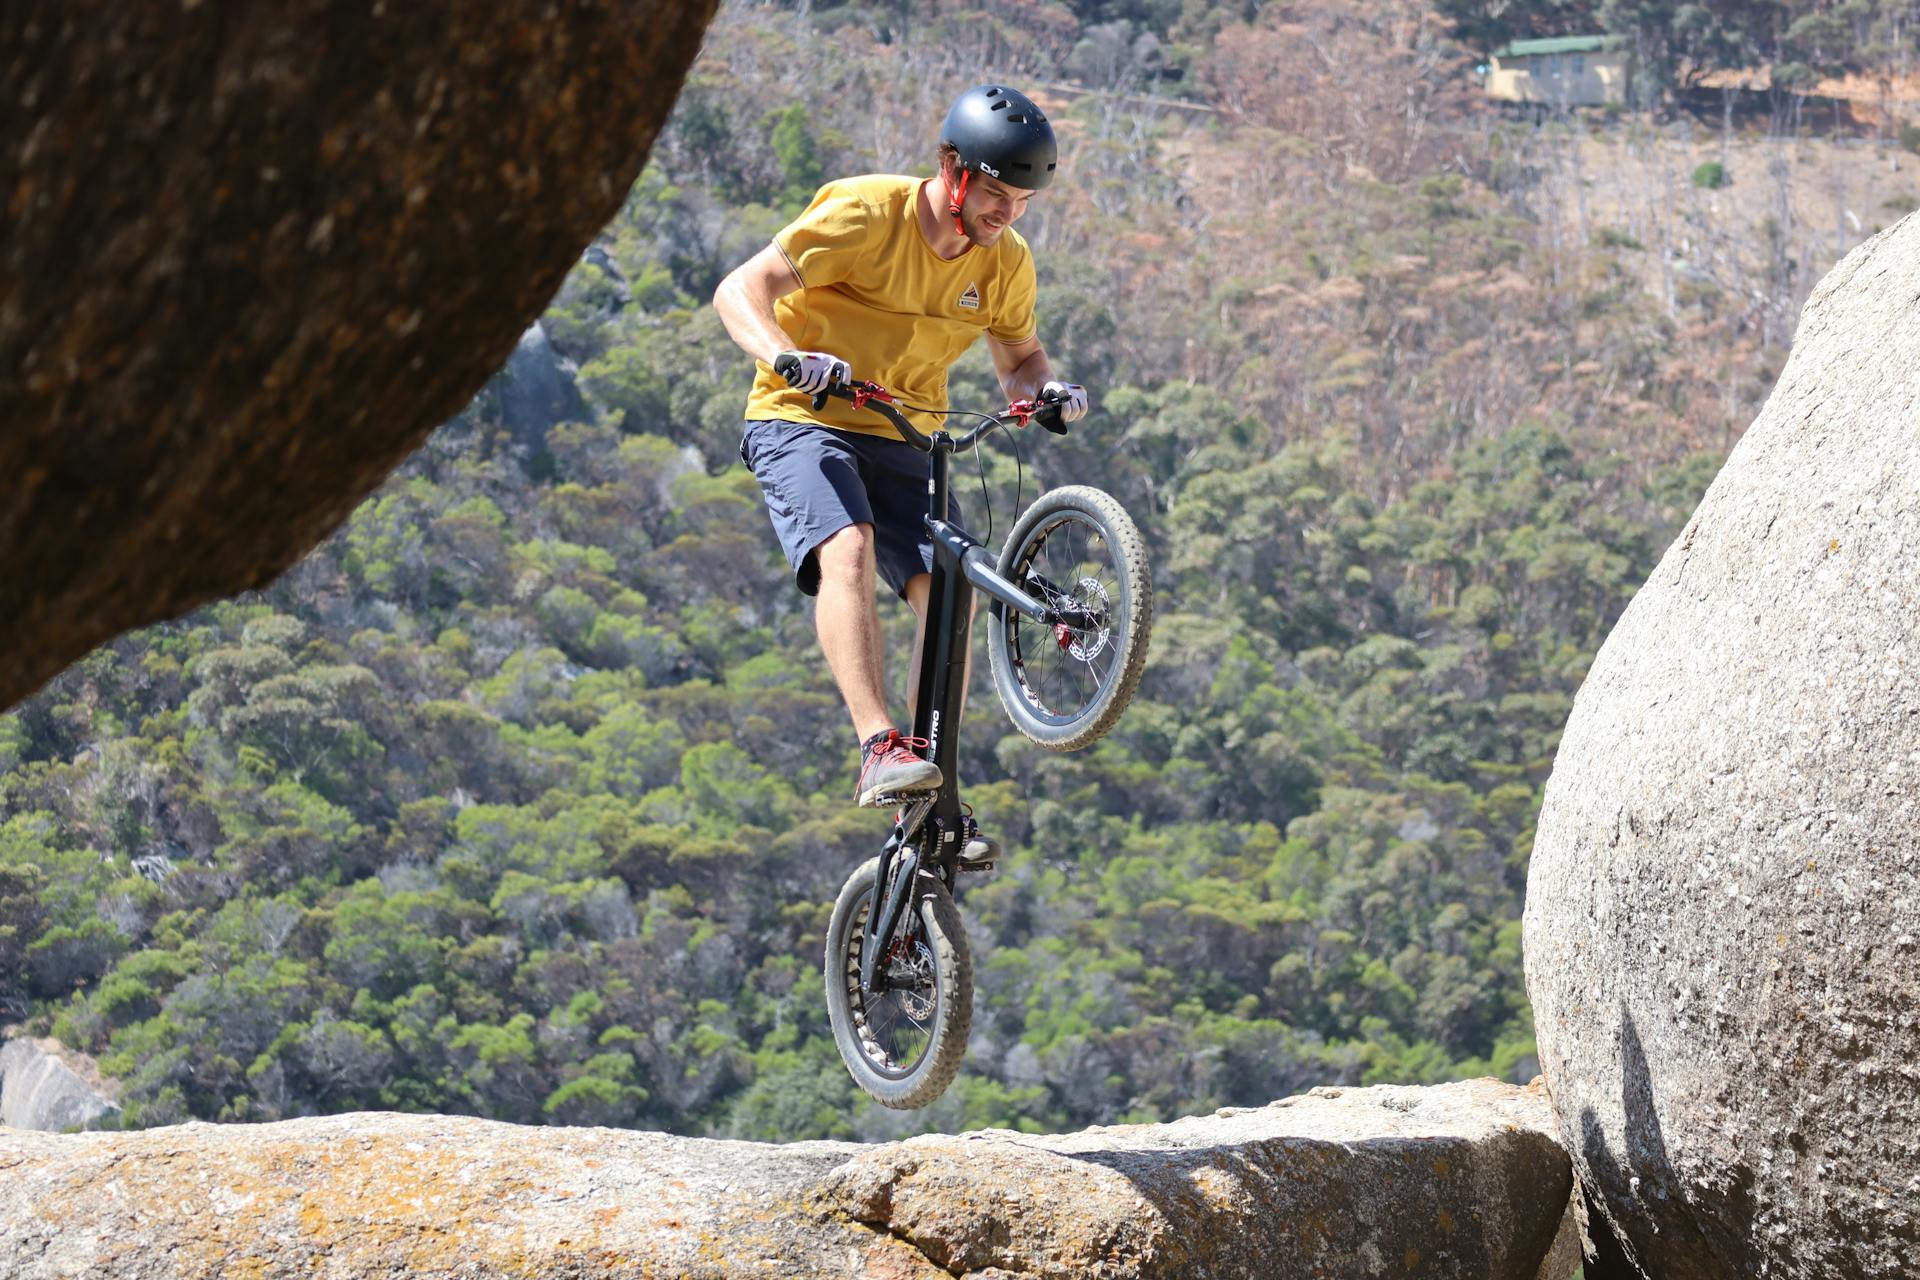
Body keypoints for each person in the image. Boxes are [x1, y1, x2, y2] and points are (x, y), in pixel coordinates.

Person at [713, 84, 1089, 859]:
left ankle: (928, 790)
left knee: (944, 599)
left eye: (1022, 201)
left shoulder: (1005, 262)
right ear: (951, 168)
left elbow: (1018, 359)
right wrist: (784, 354)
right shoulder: (863, 214)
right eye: (995, 193)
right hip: (804, 416)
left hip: (905, 435)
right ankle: (878, 745)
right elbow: (741, 290)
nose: (1007, 214)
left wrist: (1042, 394)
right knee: (846, 545)